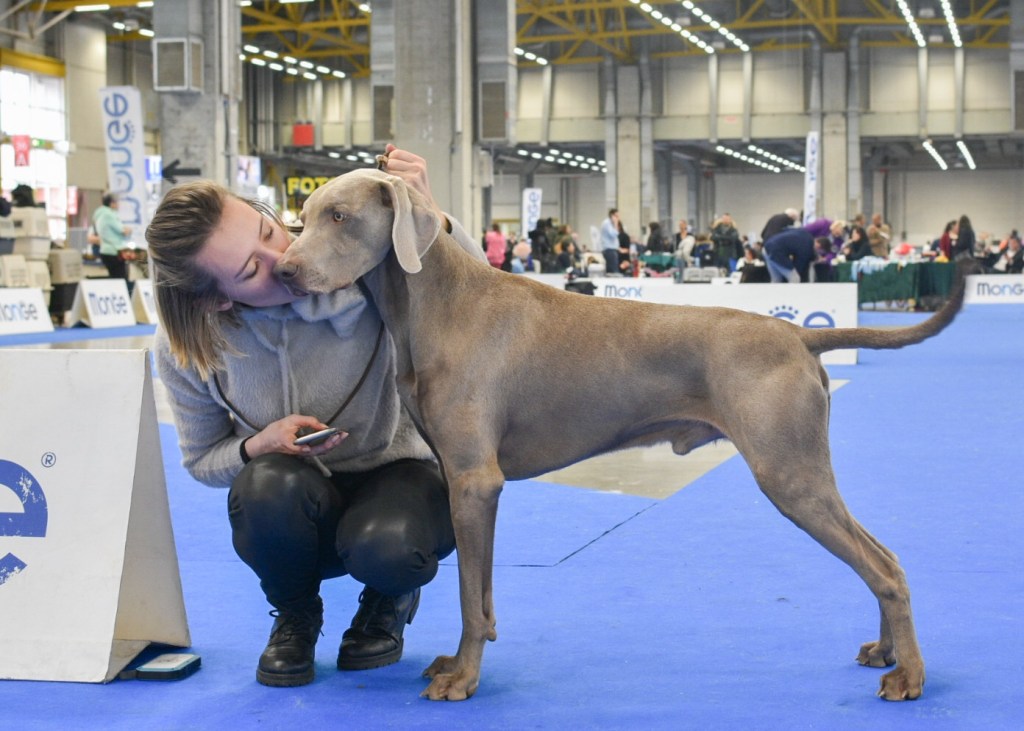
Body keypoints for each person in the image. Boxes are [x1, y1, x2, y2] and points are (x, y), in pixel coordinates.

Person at [145, 146, 485, 689]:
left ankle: (389, 597)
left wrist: (431, 215)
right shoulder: (188, 349)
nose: (281, 255)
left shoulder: (367, 268)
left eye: (267, 228)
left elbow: (476, 302)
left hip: (401, 479)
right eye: (250, 269)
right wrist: (259, 445)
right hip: (296, 507)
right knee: (264, 486)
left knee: (392, 548)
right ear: (215, 301)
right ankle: (295, 615)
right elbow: (202, 462)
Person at [92, 192, 134, 287]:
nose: (119, 205)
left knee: (115, 278)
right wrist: (129, 229)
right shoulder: (109, 215)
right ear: (112, 203)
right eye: (117, 202)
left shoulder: (99, 214)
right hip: (113, 251)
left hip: (105, 250)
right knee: (121, 280)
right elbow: (123, 230)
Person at [600, 208, 621, 276]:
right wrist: (615, 224)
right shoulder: (607, 223)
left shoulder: (610, 224)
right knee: (613, 272)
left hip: (612, 250)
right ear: (612, 215)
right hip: (609, 250)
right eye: (616, 216)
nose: (618, 219)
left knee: (612, 271)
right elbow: (613, 234)